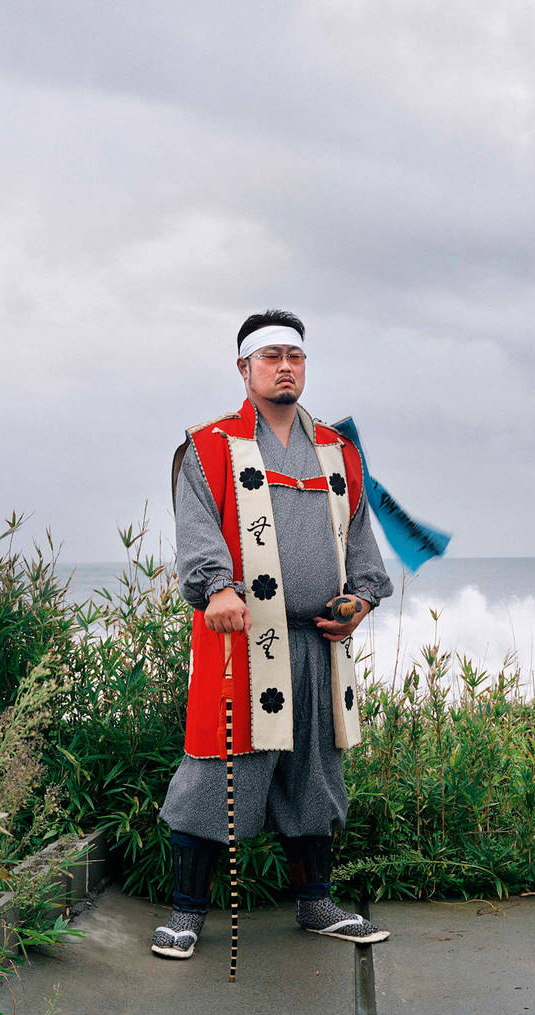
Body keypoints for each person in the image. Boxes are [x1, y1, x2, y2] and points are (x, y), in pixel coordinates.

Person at [152, 309, 394, 959]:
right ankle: (185, 914)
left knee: (314, 772)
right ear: (244, 368)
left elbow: (362, 544)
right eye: (270, 357)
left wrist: (363, 598)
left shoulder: (341, 454)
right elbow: (197, 530)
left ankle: (316, 905)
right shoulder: (207, 446)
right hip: (239, 644)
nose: (285, 366)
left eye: (295, 356)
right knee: (216, 773)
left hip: (319, 643)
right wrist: (218, 587)